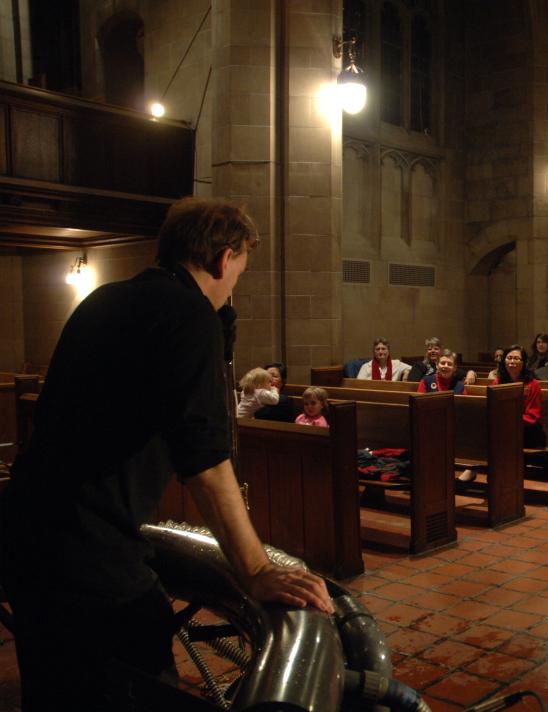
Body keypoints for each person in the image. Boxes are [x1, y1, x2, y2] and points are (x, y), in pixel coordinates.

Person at [0, 198, 332, 711]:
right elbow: (205, 459)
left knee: (53, 692)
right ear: (224, 258)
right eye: (239, 272)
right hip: (89, 552)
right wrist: (256, 570)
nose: (232, 286)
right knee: (138, 680)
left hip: (26, 538)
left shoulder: (105, 299)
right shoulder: (189, 314)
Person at [492, 344, 545, 449]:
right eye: (509, 358)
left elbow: (533, 416)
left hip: (527, 432)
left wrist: (510, 420)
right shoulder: (497, 383)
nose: (512, 362)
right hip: (503, 430)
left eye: (516, 358)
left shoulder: (533, 384)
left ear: (523, 363)